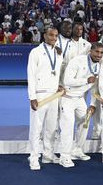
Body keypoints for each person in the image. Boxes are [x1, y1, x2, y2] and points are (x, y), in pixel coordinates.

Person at [59, 43, 103, 168]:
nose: (99, 55)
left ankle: (77, 150)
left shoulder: (99, 66)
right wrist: (85, 80)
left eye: (101, 53)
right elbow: (67, 80)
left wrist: (93, 104)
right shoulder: (77, 61)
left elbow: (94, 87)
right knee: (67, 126)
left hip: (80, 99)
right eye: (97, 52)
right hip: (67, 97)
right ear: (91, 51)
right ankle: (65, 156)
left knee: (85, 123)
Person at [27, 27, 64, 170]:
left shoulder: (58, 52)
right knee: (36, 128)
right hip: (40, 94)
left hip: (54, 94)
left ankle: (48, 155)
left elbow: (57, 72)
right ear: (44, 35)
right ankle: (34, 157)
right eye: (51, 35)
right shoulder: (35, 52)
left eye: (56, 35)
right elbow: (31, 75)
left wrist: (59, 85)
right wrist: (32, 97)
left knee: (51, 127)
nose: (54, 38)